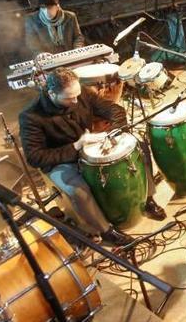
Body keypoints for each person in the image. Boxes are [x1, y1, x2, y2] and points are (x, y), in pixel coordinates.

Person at [19, 68, 166, 245]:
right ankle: (106, 230)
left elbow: (115, 110)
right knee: (77, 189)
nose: (75, 101)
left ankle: (147, 198)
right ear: (51, 93)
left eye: (77, 95)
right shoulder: (30, 117)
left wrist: (112, 134)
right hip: (62, 158)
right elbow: (35, 157)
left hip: (89, 145)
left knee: (139, 148)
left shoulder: (81, 93)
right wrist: (76, 146)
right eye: (69, 98)